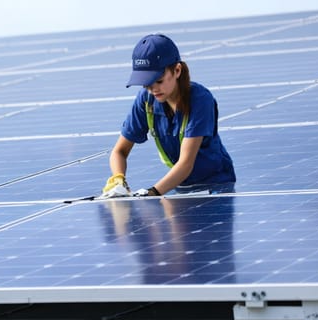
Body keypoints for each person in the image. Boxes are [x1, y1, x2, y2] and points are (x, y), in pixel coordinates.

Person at [100, 34, 235, 198]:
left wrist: (153, 193)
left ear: (177, 70)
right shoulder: (146, 100)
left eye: (158, 80)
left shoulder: (200, 100)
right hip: (180, 186)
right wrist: (118, 179)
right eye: (146, 83)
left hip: (216, 187)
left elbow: (186, 164)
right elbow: (119, 151)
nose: (153, 89)